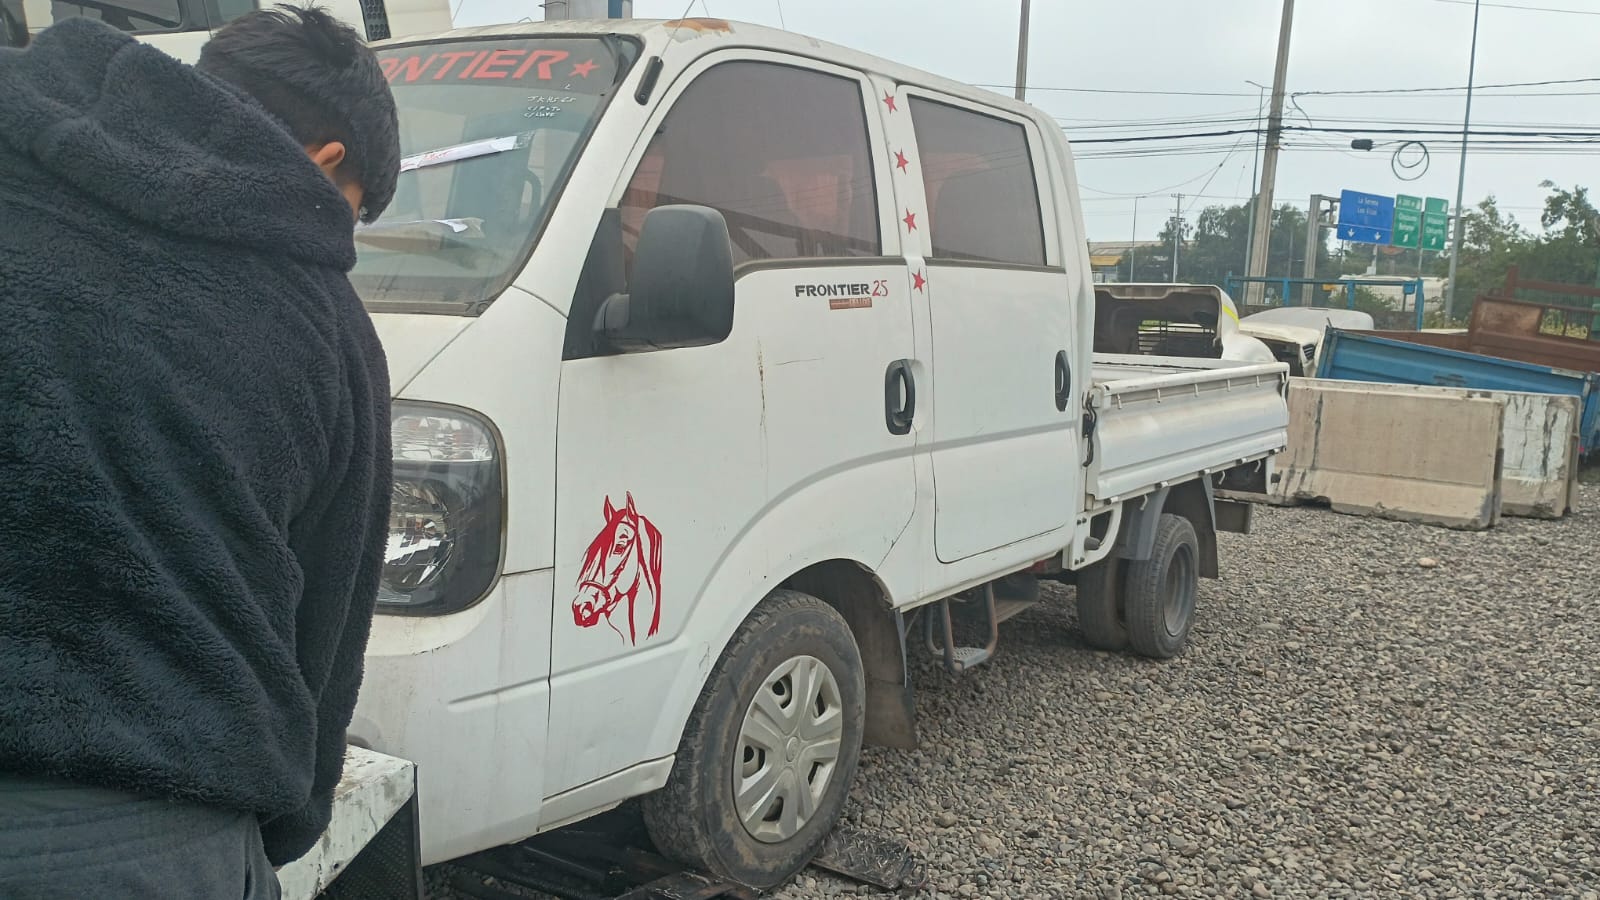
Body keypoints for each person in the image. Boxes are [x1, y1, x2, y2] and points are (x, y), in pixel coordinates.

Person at [0, 6, 398, 897]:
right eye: (355, 215)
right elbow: (322, 647)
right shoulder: (323, 326)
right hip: (135, 842)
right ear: (327, 162)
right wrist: (274, 836)